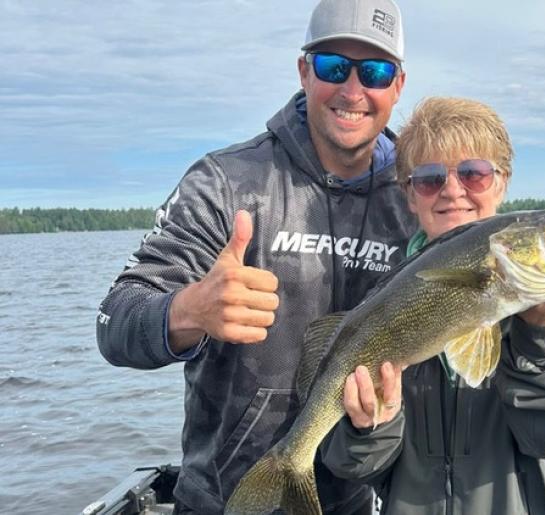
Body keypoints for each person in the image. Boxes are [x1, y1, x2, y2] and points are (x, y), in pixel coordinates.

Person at [95, 0, 416, 513]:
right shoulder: (226, 183)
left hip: (351, 498)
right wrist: (189, 311)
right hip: (222, 500)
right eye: (334, 66)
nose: (353, 91)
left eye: (374, 71)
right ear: (304, 71)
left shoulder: (416, 196)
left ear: (397, 85)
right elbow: (115, 321)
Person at [321, 97, 545, 514]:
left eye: (475, 174)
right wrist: (370, 427)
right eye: (429, 178)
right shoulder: (381, 300)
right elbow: (359, 465)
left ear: (502, 182)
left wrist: (541, 337)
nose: (453, 190)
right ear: (409, 195)